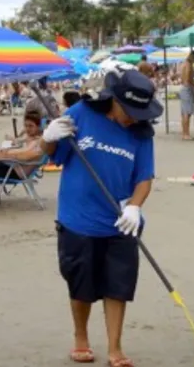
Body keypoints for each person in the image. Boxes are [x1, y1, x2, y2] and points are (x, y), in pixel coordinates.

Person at [39, 70, 161, 366]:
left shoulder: (141, 132)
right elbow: (54, 156)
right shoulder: (81, 113)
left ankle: (115, 347)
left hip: (121, 221)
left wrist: (134, 206)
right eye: (129, 111)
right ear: (113, 100)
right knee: (80, 285)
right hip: (78, 218)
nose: (133, 117)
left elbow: (144, 178)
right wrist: (48, 138)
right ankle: (81, 337)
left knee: (117, 286)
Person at [180, 50, 194, 140]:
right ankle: (186, 134)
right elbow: (188, 79)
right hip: (187, 88)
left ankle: (185, 132)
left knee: (184, 112)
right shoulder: (188, 64)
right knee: (187, 113)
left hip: (184, 88)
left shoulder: (184, 63)